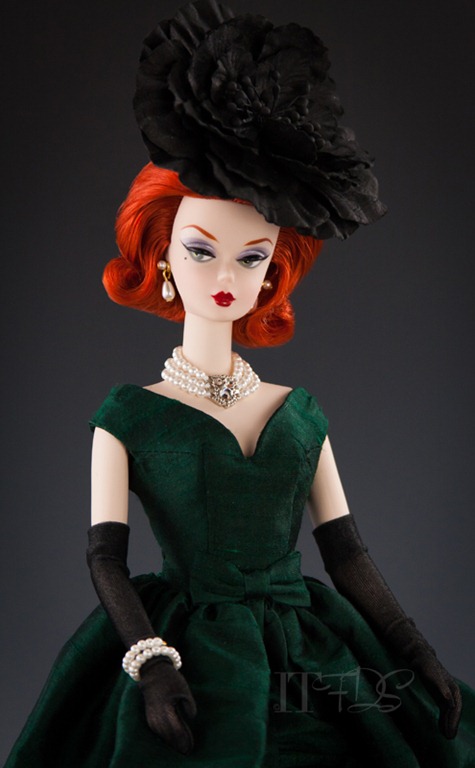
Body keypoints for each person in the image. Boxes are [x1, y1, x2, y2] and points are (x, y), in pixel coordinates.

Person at [5, 1, 475, 766]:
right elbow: (105, 559)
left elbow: (346, 554)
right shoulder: (127, 418)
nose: (225, 273)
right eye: (201, 250)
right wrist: (151, 663)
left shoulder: (300, 416)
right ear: (162, 256)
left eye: (251, 257)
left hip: (307, 651)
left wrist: (413, 649)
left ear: (271, 273)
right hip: (186, 651)